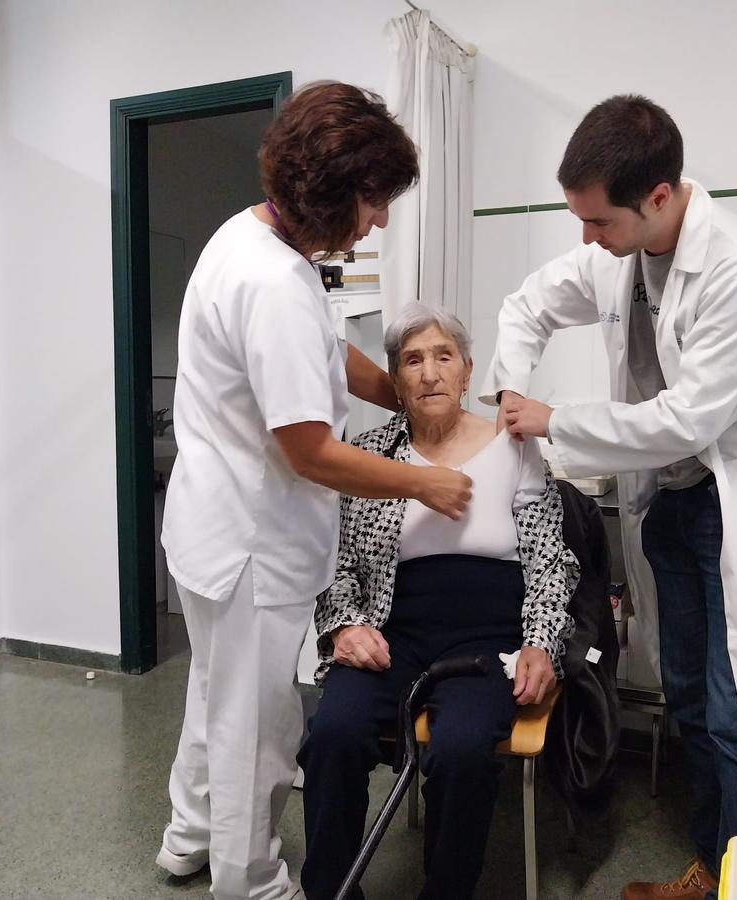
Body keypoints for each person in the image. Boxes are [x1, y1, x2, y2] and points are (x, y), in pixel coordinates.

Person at [486, 95, 737, 900]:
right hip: (673, 506)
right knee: (686, 694)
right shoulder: (617, 252)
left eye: (598, 221)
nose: (587, 239)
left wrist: (555, 419)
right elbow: (526, 306)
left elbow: (691, 417)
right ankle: (714, 871)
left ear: (660, 198)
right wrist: (511, 390)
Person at [157, 83, 473, 900]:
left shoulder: (251, 237)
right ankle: (252, 882)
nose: (381, 221)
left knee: (213, 697)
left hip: (209, 526)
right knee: (256, 733)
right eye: (374, 202)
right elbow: (311, 452)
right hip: (250, 549)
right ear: (333, 191)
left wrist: (406, 391)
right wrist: (425, 481)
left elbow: (328, 357)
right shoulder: (272, 286)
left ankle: (186, 837)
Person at [298, 304, 577, 900]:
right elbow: (335, 563)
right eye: (412, 360)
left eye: (443, 357)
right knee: (333, 734)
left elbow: (552, 563)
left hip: (489, 641)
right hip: (391, 629)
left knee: (462, 750)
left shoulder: (514, 446)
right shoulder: (369, 451)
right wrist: (345, 626)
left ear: (467, 372)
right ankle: (330, 891)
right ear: (395, 382)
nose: (429, 373)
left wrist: (541, 644)